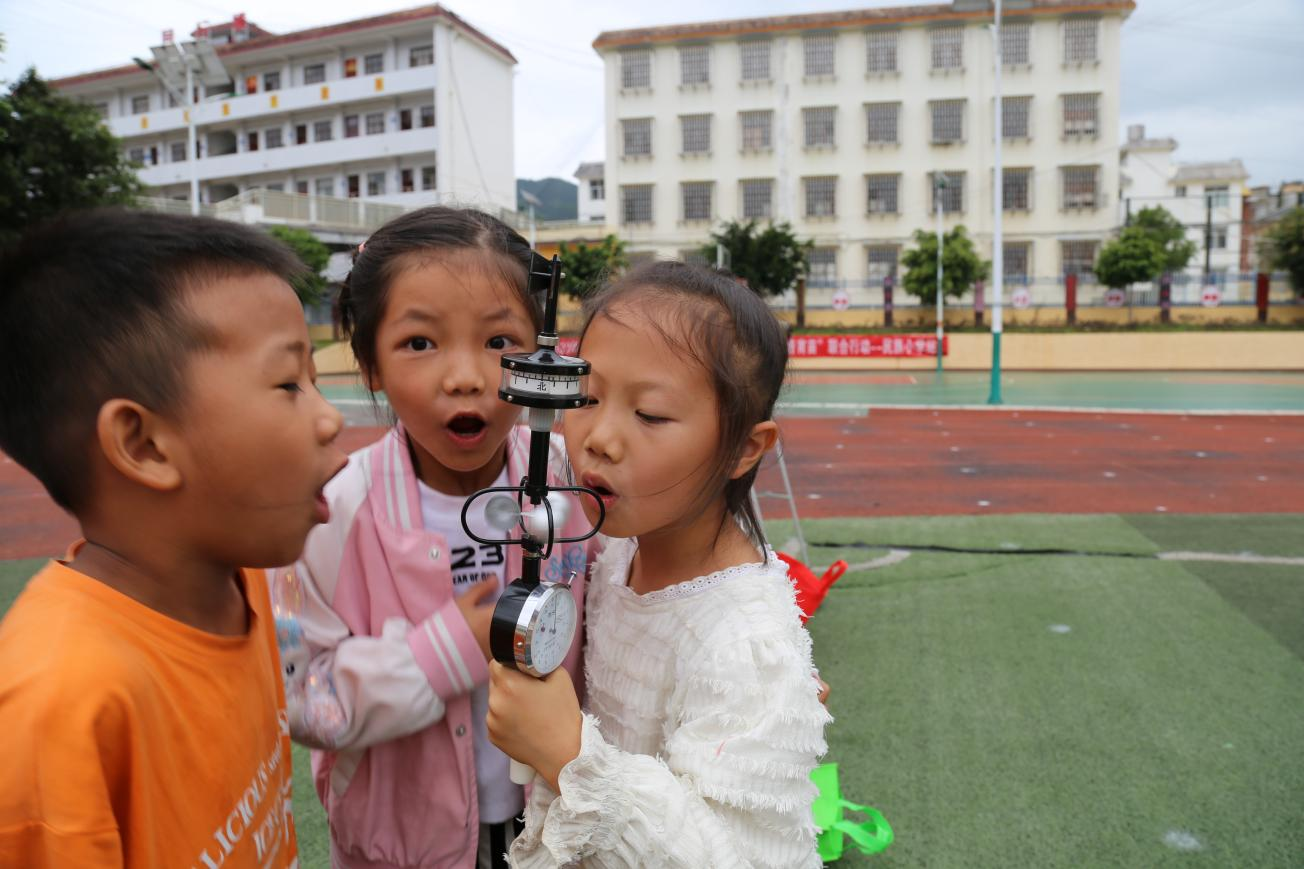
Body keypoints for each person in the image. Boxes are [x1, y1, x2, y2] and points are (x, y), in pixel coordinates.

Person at [0, 208, 346, 867]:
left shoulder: (239, 577)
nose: (328, 419)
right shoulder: (56, 708)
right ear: (143, 444)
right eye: (287, 384)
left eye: (317, 383)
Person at [271, 206, 595, 869]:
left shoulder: (564, 480)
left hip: (552, 818)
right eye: (421, 343)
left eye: (499, 341)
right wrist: (445, 649)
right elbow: (300, 698)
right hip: (400, 846)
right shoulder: (335, 513)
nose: (466, 376)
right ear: (369, 366)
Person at [487, 261, 831, 868]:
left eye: (649, 415)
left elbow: (736, 857)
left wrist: (569, 754)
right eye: (586, 396)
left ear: (745, 448)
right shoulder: (621, 548)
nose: (599, 438)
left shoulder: (744, 643)